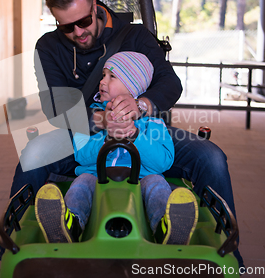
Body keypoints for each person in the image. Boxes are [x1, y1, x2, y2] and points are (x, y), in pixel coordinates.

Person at [9, 0, 243, 267]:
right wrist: (102, 120)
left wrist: (140, 107)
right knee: (32, 154)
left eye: (84, 21)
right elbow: (54, 106)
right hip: (84, 129)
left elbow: (170, 84)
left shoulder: (135, 36)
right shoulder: (49, 47)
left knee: (211, 158)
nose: (78, 32)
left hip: (144, 126)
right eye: (67, 27)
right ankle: (15, 254)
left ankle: (228, 253)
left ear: (95, 6)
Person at [35, 51, 198, 245]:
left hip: (141, 177)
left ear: (133, 87)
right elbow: (81, 155)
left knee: (156, 183)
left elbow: (162, 162)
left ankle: (167, 227)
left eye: (111, 76)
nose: (102, 81)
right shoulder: (92, 118)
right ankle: (69, 225)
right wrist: (107, 137)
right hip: (97, 175)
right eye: (103, 75)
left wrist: (135, 135)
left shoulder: (152, 122)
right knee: (82, 182)